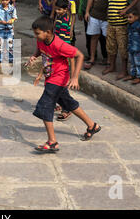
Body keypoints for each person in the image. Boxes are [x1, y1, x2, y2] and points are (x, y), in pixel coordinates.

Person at [26, 17, 101, 152]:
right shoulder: (41, 40)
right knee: (68, 104)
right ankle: (92, 125)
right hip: (50, 78)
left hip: (58, 79)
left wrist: (75, 77)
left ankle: (52, 142)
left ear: (48, 32)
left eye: (37, 33)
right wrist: (34, 56)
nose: (35, 36)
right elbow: (40, 49)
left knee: (45, 106)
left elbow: (79, 55)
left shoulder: (60, 45)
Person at [102, 0, 140, 80]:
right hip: (111, 24)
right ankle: (112, 66)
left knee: (123, 49)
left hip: (121, 25)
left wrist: (126, 9)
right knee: (111, 47)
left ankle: (124, 71)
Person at [83, 0, 115, 70]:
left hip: (107, 18)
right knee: (94, 37)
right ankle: (92, 58)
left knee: (108, 39)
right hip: (94, 15)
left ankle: (109, 61)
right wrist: (87, 12)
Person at [123, 10, 140, 84]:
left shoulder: (138, 26)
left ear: (136, 17)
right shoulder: (129, 25)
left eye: (130, 17)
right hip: (131, 47)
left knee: (138, 63)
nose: (128, 19)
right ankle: (132, 74)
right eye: (128, 17)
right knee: (132, 62)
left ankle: (138, 76)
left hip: (137, 48)